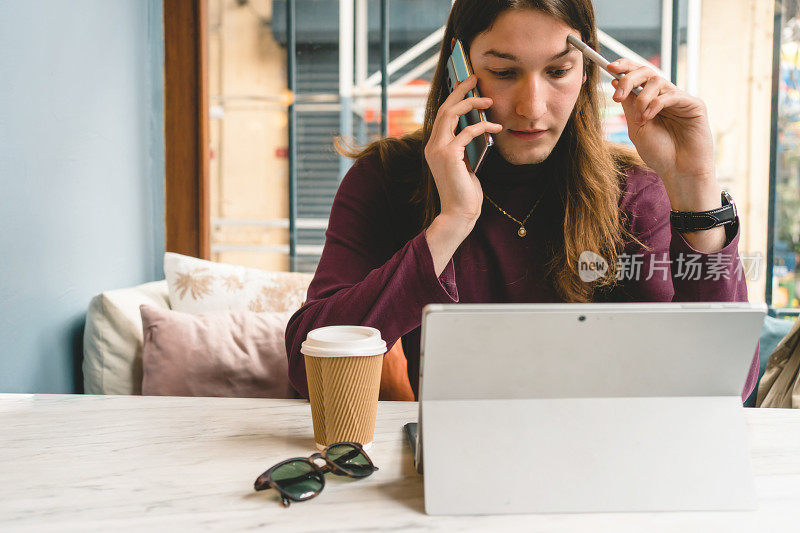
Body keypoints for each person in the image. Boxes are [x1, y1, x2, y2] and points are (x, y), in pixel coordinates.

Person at [284, 0, 759, 401]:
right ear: (459, 69)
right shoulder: (387, 178)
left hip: (608, 458)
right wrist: (451, 223)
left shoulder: (633, 189)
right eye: (504, 72)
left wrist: (693, 187)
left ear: (587, 70)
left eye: (558, 71)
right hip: (460, 458)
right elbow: (309, 372)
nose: (532, 106)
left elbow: (726, 388)